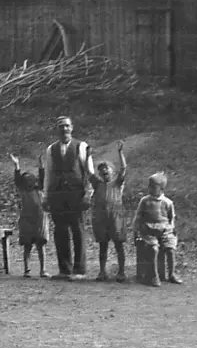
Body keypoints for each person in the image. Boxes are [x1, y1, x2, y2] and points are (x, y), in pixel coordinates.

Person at [41, 116, 95, 280]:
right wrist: (46, 196)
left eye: (67, 126)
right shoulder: (51, 149)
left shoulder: (81, 146)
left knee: (78, 230)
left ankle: (79, 270)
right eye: (60, 127)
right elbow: (48, 173)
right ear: (57, 130)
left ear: (72, 128)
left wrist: (88, 193)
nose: (64, 129)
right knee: (60, 231)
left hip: (76, 194)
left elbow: (89, 172)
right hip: (57, 194)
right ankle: (64, 269)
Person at [133, 172, 181, 286]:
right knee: (154, 249)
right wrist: (136, 231)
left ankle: (172, 273)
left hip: (165, 230)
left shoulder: (167, 202)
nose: (150, 188)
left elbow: (171, 218)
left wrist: (172, 230)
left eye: (153, 186)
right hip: (149, 231)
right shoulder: (145, 201)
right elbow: (138, 217)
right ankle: (154, 275)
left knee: (170, 249)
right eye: (149, 186)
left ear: (161, 188)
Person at [90, 142, 128, 283]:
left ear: (112, 171)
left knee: (119, 245)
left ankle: (122, 272)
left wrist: (120, 153)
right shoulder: (97, 184)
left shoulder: (117, 183)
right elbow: (88, 171)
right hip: (101, 218)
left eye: (107, 168)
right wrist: (88, 156)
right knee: (103, 245)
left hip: (116, 217)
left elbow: (124, 168)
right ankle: (102, 271)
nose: (104, 170)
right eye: (101, 169)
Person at [10, 154, 49, 278]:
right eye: (26, 179)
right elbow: (17, 180)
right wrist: (16, 166)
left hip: (40, 220)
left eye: (30, 179)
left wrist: (41, 164)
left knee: (40, 244)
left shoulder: (40, 189)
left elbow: (43, 177)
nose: (28, 181)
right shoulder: (23, 191)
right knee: (27, 245)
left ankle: (43, 270)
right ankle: (27, 270)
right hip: (27, 219)